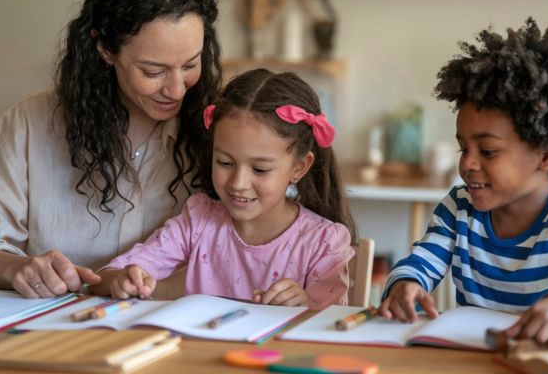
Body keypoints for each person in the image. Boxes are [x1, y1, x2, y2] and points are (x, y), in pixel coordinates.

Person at [0, 0, 222, 298]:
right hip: (51, 329)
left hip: (172, 327)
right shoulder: (30, 123)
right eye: (153, 71)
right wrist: (15, 267)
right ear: (104, 48)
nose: (176, 90)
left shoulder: (216, 129)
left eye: (190, 64)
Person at [379, 18, 548, 346]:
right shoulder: (459, 207)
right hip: (471, 358)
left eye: (489, 151)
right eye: (463, 147)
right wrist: (405, 283)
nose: (467, 163)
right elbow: (423, 258)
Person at [90, 68, 357, 309]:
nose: (238, 183)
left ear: (299, 167)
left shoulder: (324, 242)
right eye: (225, 162)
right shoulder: (199, 220)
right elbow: (104, 277)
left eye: (260, 169)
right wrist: (122, 280)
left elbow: (333, 329)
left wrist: (304, 306)